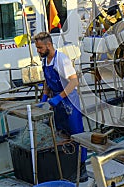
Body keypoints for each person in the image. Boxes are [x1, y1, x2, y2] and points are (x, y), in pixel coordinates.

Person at [34, 32, 88, 182]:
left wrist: (59, 97)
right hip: (57, 104)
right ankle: (68, 166)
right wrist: (44, 98)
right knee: (61, 134)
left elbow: (73, 82)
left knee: (77, 134)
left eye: (39, 47)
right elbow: (47, 81)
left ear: (48, 45)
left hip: (69, 102)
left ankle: (82, 167)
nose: (38, 50)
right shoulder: (45, 60)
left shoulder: (61, 60)